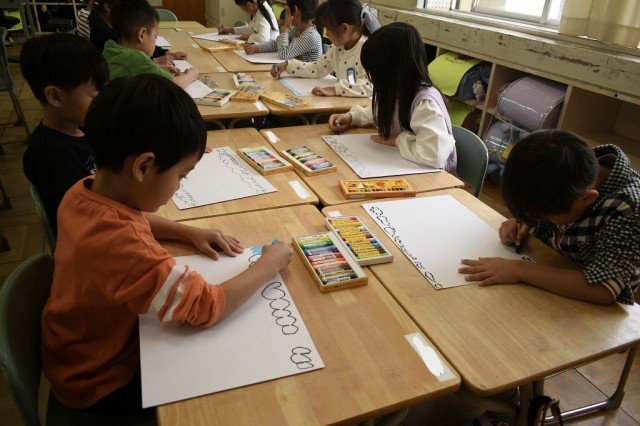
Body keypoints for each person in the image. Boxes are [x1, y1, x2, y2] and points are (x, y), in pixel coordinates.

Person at [41, 74, 293, 419]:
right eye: (181, 176)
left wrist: (187, 232)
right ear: (144, 166)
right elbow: (206, 305)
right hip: (99, 381)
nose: (179, 187)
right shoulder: (125, 248)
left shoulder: (83, 190)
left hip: (72, 350)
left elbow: (132, 217)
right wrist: (269, 264)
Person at [459, 130, 640, 305]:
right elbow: (547, 206)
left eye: (542, 215)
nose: (538, 219)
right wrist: (522, 222)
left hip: (588, 305)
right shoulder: (562, 172)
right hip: (551, 265)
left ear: (587, 199)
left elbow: (603, 289)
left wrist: (518, 269)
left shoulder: (629, 209)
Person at [328, 23, 456, 171]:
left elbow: (433, 155)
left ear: (392, 70)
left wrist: (398, 140)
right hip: (402, 167)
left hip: (432, 177)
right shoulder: (396, 91)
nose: (372, 78)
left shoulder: (425, 104)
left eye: (375, 72)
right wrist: (352, 117)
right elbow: (379, 112)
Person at [21, 33, 109, 237]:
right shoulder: (50, 155)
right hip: (91, 238)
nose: (103, 103)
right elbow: (89, 222)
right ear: (55, 96)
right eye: (95, 96)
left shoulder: (81, 125)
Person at [269, 0, 379, 97]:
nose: (326, 33)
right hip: (344, 104)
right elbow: (317, 68)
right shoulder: (337, 48)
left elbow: (370, 86)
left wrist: (335, 89)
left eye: (328, 29)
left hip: (364, 109)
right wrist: (288, 65)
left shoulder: (368, 49)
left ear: (344, 28)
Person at [102, 0, 198, 89]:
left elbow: (133, 71)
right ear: (141, 35)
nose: (155, 40)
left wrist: (157, 68)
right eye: (155, 36)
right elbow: (174, 85)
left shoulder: (110, 47)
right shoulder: (137, 58)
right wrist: (191, 75)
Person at [89, 0, 186, 66]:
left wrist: (165, 53)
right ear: (107, 6)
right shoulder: (102, 38)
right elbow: (124, 62)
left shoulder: (111, 28)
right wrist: (154, 61)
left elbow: (138, 45)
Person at [243, 0, 322, 62]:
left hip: (307, 78)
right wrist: (256, 48)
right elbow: (277, 43)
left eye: (286, 10)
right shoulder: (297, 30)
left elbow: (284, 54)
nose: (285, 14)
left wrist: (285, 27)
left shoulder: (310, 36)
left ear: (295, 10)